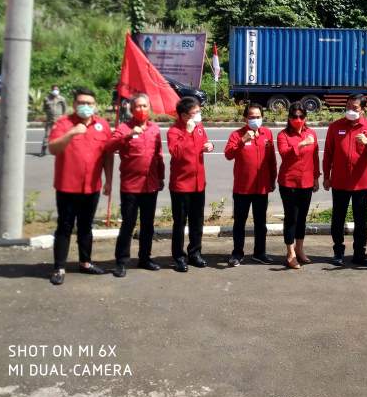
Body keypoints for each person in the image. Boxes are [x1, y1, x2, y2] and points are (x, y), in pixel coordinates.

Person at [47, 87, 113, 285]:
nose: (86, 107)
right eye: (82, 103)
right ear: (75, 104)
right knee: (64, 227)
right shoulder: (63, 123)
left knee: (86, 227)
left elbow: (107, 156)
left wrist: (108, 180)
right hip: (67, 187)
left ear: (95, 105)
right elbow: (52, 148)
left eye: (89, 103)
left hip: (91, 187)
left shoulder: (102, 125)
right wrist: (72, 133)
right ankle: (59, 267)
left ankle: (85, 262)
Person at [108, 93, 164, 278]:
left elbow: (159, 156)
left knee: (147, 225)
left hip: (150, 186)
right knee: (128, 225)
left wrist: (161, 178)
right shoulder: (124, 128)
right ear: (131, 109)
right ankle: (121, 261)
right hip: (131, 187)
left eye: (144, 106)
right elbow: (109, 146)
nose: (141, 109)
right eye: (138, 106)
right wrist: (128, 135)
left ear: (149, 108)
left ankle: (145, 258)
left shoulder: (155, 129)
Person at [322, 94, 367, 267]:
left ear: (363, 109)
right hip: (339, 182)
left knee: (360, 220)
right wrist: (326, 176)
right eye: (348, 106)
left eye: (355, 108)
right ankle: (338, 252)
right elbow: (328, 154)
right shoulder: (336, 126)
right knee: (338, 218)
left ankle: (359, 254)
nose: (351, 110)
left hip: (360, 183)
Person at [224, 103, 277, 266]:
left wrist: (272, 179)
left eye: (258, 117)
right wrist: (242, 141)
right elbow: (228, 154)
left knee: (261, 223)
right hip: (242, 188)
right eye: (252, 117)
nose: (255, 120)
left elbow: (271, 160)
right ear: (245, 118)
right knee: (240, 222)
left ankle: (259, 252)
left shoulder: (266, 133)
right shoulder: (237, 134)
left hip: (261, 187)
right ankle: (237, 253)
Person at [167, 96, 214, 272]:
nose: (198, 115)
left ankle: (195, 253)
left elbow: (203, 143)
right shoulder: (174, 131)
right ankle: (179, 256)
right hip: (181, 185)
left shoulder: (199, 127)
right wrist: (186, 132)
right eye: (195, 113)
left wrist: (209, 146)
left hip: (198, 183)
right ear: (184, 115)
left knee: (197, 221)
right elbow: (176, 153)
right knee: (180, 222)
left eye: (198, 112)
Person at [276, 102, 320, 269]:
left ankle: (300, 249)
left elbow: (315, 157)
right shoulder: (283, 135)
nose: (298, 119)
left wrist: (316, 177)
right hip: (289, 182)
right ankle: (290, 253)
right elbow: (284, 154)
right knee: (291, 217)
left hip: (307, 182)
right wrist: (301, 144)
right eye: (294, 116)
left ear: (305, 118)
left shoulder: (311, 134)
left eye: (301, 116)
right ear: (289, 118)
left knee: (302, 218)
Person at [41, 84, 67, 156]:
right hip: (50, 120)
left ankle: (62, 151)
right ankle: (43, 151)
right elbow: (44, 108)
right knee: (47, 135)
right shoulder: (47, 99)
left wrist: (62, 117)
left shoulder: (62, 99)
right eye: (54, 89)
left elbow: (65, 109)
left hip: (59, 121)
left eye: (57, 89)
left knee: (61, 136)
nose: (56, 91)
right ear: (51, 90)